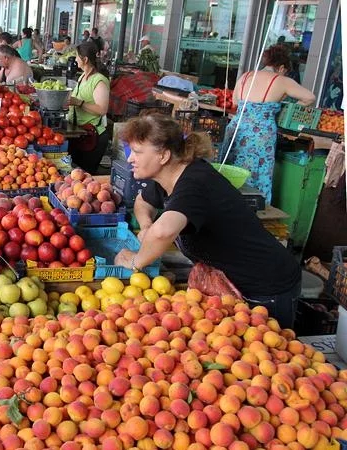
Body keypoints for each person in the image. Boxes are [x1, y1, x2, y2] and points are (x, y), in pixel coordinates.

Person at [114, 114, 302, 328]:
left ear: (164, 156)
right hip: (229, 286)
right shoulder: (167, 177)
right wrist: (147, 225)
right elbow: (142, 202)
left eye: (137, 152)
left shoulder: (194, 184)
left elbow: (163, 232)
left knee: (265, 351)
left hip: (265, 286)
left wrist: (135, 262)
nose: (130, 159)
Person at [222, 44, 315, 203]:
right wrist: (286, 108)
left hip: (236, 129)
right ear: (281, 67)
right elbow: (310, 98)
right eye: (286, 71)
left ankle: (225, 202)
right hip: (261, 134)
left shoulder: (245, 76)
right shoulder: (283, 81)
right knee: (258, 173)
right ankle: (254, 208)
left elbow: (236, 101)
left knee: (230, 169)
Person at [66, 42, 110, 173]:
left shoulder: (99, 80)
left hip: (93, 136)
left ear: (85, 59)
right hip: (80, 134)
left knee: (86, 176)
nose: (75, 59)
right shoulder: (82, 77)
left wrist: (79, 103)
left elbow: (102, 109)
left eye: (77, 57)